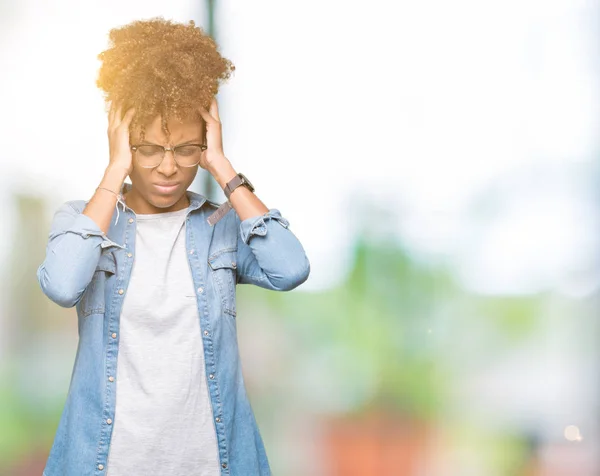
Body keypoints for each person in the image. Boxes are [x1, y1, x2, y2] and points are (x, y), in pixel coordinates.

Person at [36, 17, 310, 476]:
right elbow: (63, 285)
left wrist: (223, 166)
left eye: (187, 149)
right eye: (149, 148)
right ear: (123, 140)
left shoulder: (221, 227)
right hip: (109, 463)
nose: (169, 167)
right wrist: (114, 168)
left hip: (210, 462)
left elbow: (291, 268)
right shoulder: (83, 222)